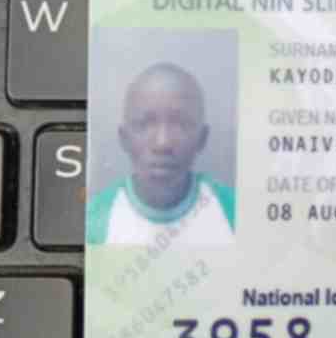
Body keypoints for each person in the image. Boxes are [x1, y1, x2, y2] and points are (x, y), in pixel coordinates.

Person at [87, 62, 235, 245]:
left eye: (181, 124)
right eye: (144, 124)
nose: (162, 143)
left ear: (202, 138)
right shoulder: (93, 224)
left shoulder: (233, 212)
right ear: (124, 138)